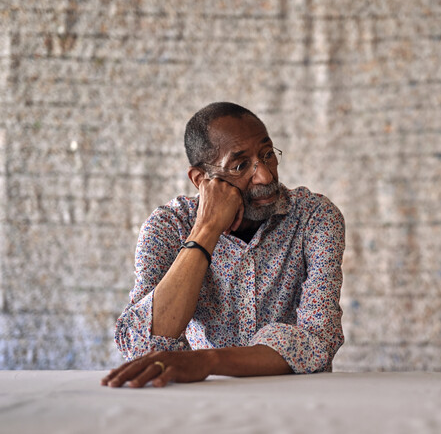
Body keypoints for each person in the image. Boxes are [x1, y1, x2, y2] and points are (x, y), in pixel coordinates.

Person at [102, 102, 345, 388]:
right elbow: (142, 344)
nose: (265, 176)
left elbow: (317, 339)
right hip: (205, 401)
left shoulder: (314, 217)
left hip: (296, 400)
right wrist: (207, 230)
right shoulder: (169, 227)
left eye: (267, 154)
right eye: (240, 165)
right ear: (200, 180)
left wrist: (208, 361)